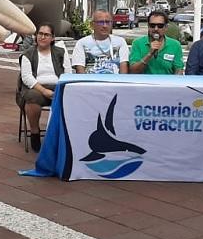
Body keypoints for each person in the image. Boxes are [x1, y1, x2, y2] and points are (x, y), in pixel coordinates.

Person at [17, 23, 72, 152]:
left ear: (53, 38)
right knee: (32, 98)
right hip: (36, 88)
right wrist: (44, 91)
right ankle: (35, 132)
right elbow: (27, 78)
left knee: (72, 97)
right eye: (40, 34)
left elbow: (68, 73)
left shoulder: (60, 52)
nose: (42, 37)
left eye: (46, 34)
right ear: (36, 36)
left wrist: (59, 88)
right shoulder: (27, 54)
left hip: (58, 86)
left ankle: (62, 134)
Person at [72, 10, 129, 74]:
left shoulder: (120, 42)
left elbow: (124, 69)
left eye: (108, 22)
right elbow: (80, 71)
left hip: (114, 82)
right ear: (92, 25)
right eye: (100, 22)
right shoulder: (82, 43)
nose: (105, 26)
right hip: (89, 82)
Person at [129, 11, 184, 75]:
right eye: (152, 25)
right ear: (148, 26)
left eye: (160, 26)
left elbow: (179, 70)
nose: (156, 29)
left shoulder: (175, 45)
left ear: (166, 27)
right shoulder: (137, 43)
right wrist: (149, 54)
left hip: (167, 83)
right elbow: (133, 71)